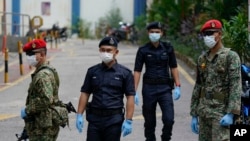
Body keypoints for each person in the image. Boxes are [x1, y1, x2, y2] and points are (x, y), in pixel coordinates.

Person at [190, 19, 242, 141]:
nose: (208, 36)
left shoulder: (231, 56)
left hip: (221, 112)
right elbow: (198, 85)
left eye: (211, 33)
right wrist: (194, 113)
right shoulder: (202, 59)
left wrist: (231, 113)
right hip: (204, 112)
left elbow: (235, 85)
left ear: (220, 34)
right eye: (205, 34)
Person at [76, 36, 135, 141]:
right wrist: (79, 114)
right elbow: (85, 93)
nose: (105, 53)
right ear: (99, 51)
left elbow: (130, 96)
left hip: (114, 120)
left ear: (116, 52)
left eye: (109, 50)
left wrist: (129, 120)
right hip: (94, 119)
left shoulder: (125, 73)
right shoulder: (92, 72)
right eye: (102, 50)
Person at [134, 21, 181, 141]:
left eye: (157, 32)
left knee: (169, 119)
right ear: (148, 33)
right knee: (149, 121)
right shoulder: (143, 50)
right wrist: (133, 91)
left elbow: (173, 67)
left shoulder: (168, 48)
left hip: (165, 88)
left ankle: (166, 138)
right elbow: (137, 71)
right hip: (149, 88)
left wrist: (178, 85)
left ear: (161, 33)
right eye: (152, 32)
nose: (154, 34)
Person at [20, 39, 60, 140]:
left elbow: (46, 99)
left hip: (43, 127)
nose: (29, 57)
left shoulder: (42, 76)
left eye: (31, 54)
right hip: (43, 123)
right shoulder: (47, 70)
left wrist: (27, 110)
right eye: (27, 54)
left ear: (42, 55)